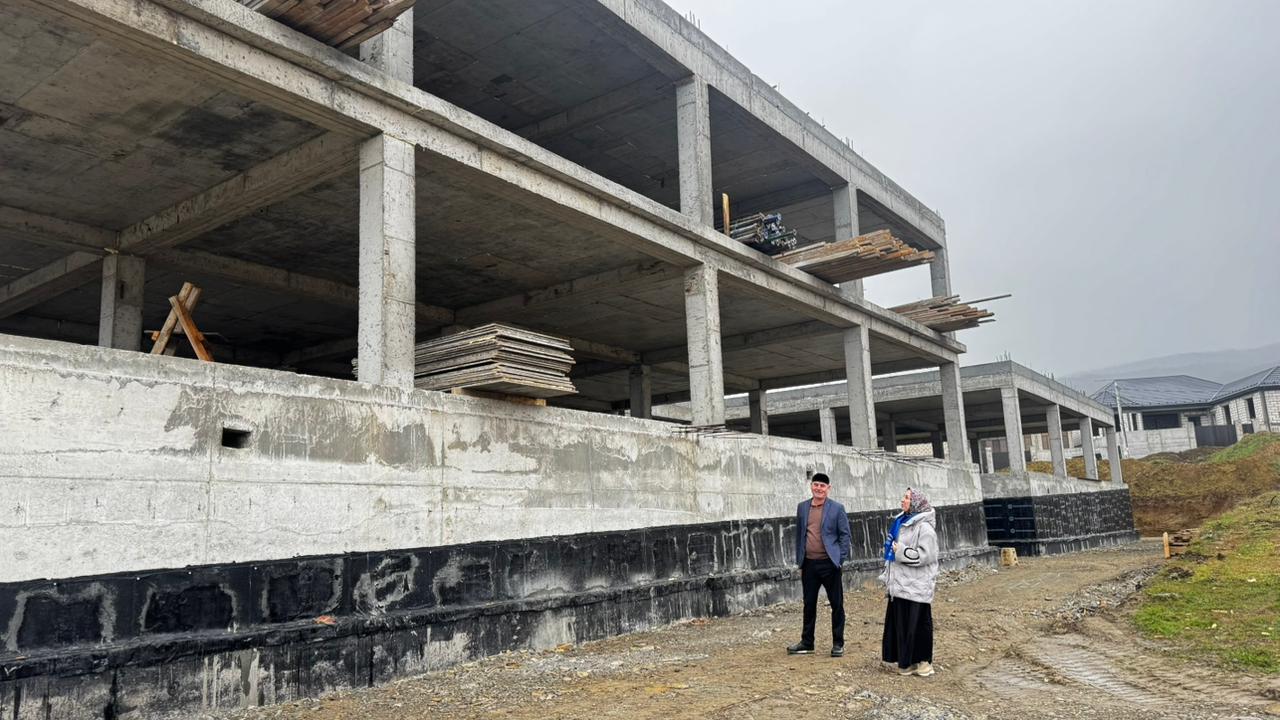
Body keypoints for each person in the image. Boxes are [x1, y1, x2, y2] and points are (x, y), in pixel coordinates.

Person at [787, 472, 852, 657]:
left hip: (830, 564)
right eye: (816, 484)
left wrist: (839, 559)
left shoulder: (837, 508)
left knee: (836, 604)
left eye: (822, 486)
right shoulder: (802, 507)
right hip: (809, 564)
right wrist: (800, 562)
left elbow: (845, 535)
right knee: (809, 604)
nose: (818, 488)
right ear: (811, 486)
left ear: (828, 488)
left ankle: (838, 643)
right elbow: (800, 535)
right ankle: (807, 642)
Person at [881, 488, 939, 676]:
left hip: (916, 587)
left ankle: (923, 663)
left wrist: (900, 551)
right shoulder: (903, 522)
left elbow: (925, 556)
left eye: (906, 498)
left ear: (915, 503)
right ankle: (906, 663)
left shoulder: (925, 528)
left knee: (918, 626)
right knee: (902, 625)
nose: (902, 500)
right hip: (900, 585)